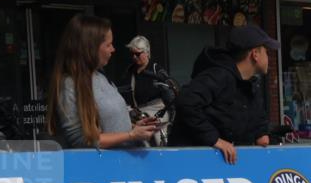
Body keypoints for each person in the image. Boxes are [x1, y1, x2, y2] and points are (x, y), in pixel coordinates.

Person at [169, 24, 278, 164]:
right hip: (190, 162)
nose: (269, 57)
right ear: (255, 54)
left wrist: (261, 134)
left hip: (221, 165)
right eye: (266, 51)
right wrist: (215, 140)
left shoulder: (250, 85)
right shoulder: (218, 75)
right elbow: (186, 102)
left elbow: (256, 121)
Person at [46, 14, 159, 149]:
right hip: (106, 166)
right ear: (90, 48)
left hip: (127, 161)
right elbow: (81, 140)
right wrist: (131, 135)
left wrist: (136, 128)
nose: (113, 49)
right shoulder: (69, 84)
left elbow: (112, 127)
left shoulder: (101, 77)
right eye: (108, 45)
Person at [121, 35, 177, 112]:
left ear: (147, 52)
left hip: (157, 117)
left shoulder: (157, 70)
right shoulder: (129, 71)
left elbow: (171, 97)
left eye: (137, 54)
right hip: (137, 115)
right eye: (132, 54)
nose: (134, 57)